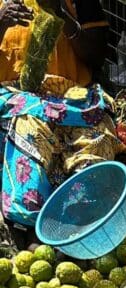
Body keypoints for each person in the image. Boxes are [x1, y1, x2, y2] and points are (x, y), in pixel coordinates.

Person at [0, 0, 119, 228]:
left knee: (98, 132)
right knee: (29, 127)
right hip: (14, 97)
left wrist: (61, 14)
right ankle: (30, 223)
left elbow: (96, 56)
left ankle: (85, 219)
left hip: (72, 101)